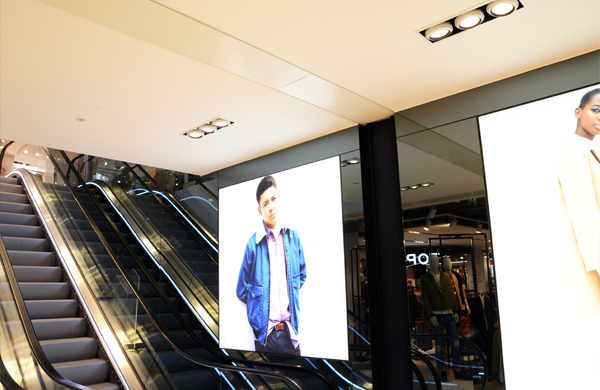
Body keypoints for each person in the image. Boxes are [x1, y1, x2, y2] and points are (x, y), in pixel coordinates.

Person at [236, 175, 307, 355]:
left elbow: (302, 275)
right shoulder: (253, 244)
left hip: (291, 335)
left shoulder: (293, 236)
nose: (271, 206)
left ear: (279, 199)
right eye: (265, 203)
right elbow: (241, 290)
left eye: (273, 199)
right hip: (264, 338)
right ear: (260, 210)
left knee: (296, 382)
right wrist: (259, 312)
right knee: (264, 383)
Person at [557, 88, 600, 316]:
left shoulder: (589, 150)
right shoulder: (574, 149)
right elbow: (583, 210)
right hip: (590, 262)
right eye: (596, 110)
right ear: (578, 112)